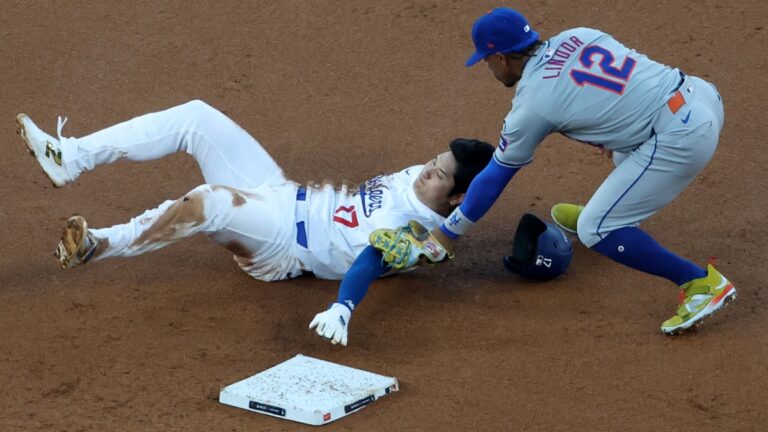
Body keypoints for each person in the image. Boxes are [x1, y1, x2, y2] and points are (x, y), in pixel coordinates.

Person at [370, 7, 735, 335]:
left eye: (486, 61)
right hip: (701, 95)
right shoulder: (578, 34)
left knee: (598, 229)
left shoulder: (532, 106)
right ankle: (611, 213)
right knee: (625, 150)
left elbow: (495, 177)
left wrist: (446, 235)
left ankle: (699, 283)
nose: (487, 67)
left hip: (681, 137)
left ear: (501, 58)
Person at [17, 100, 494, 345]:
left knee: (210, 202)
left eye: (439, 175)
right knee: (196, 116)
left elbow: (372, 258)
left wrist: (344, 307)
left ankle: (98, 244)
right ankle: (71, 155)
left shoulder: (418, 235)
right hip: (283, 193)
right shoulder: (425, 180)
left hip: (282, 246)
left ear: (454, 198)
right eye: (433, 161)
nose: (426, 170)